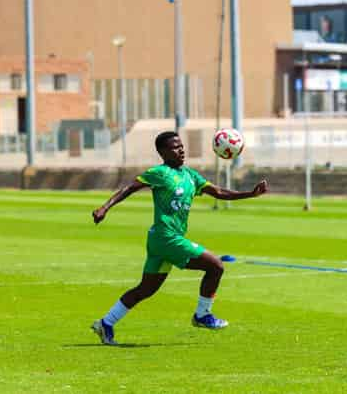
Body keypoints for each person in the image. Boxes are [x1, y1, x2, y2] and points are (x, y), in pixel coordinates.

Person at [91, 131, 268, 345]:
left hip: (161, 241)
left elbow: (219, 192)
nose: (181, 150)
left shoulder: (191, 176)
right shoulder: (160, 173)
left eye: (181, 146)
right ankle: (202, 315)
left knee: (146, 289)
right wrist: (104, 207)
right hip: (167, 238)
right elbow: (130, 188)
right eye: (175, 147)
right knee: (216, 266)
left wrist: (250, 194)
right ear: (162, 152)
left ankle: (106, 323)